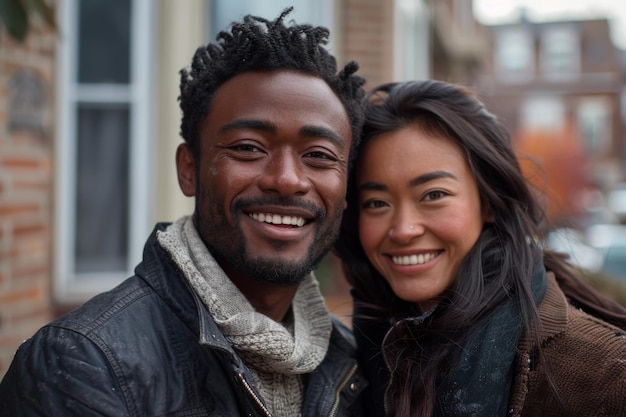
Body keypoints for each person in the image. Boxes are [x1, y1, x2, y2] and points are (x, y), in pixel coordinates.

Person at [0, 8, 368, 417]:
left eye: (318, 155)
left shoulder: (353, 362)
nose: (286, 179)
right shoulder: (82, 365)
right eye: (248, 147)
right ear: (188, 169)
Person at [334, 79, 626, 417]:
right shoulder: (351, 363)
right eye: (377, 203)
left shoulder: (604, 376)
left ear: (489, 201)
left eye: (434, 195)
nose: (403, 230)